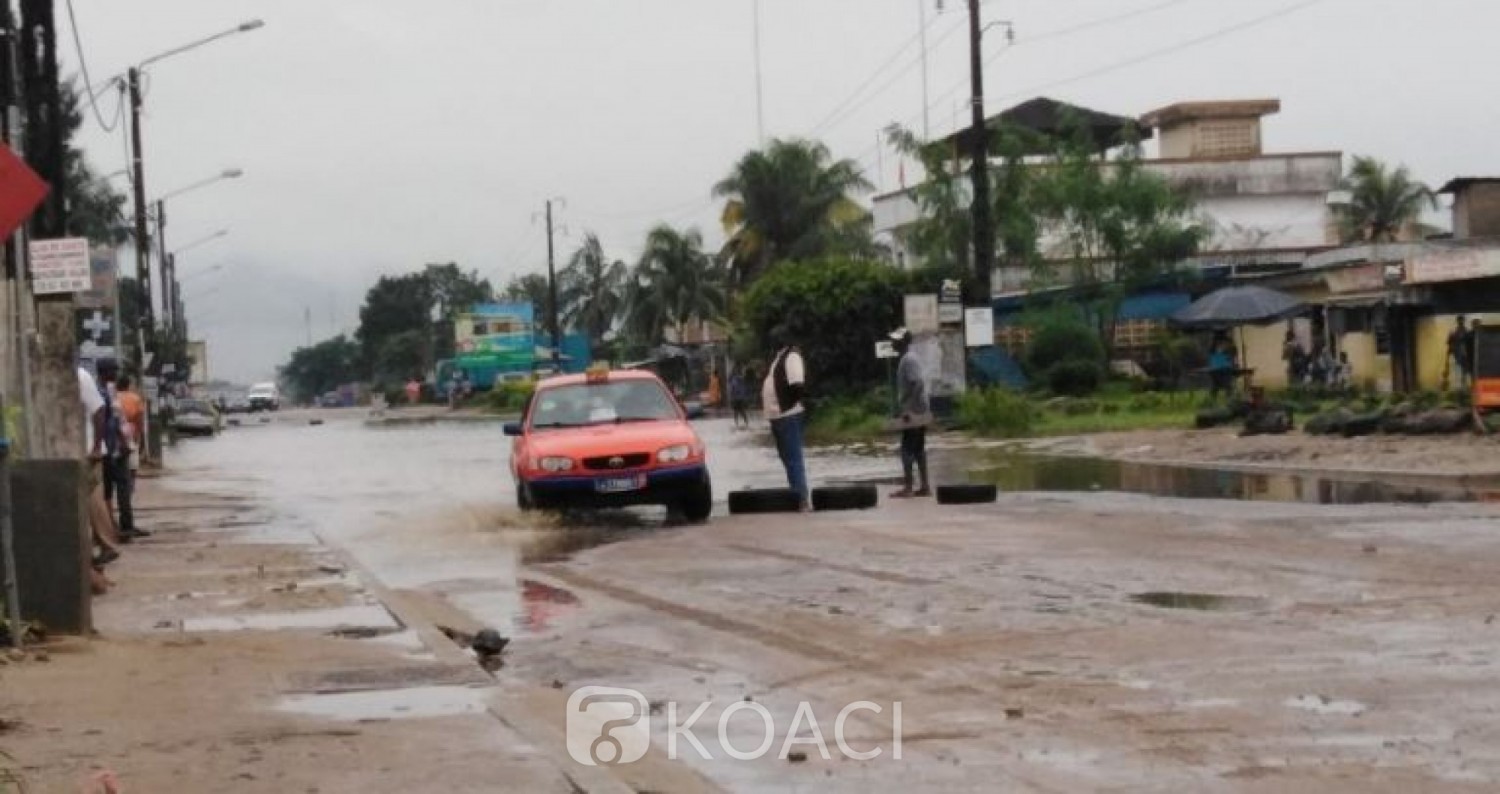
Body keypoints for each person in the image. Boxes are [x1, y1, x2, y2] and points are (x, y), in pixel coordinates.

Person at [78, 364, 121, 592]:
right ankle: (98, 573)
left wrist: (95, 447)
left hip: (88, 453)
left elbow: (99, 411)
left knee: (92, 503)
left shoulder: (80, 376)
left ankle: (106, 543)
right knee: (84, 513)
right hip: (75, 452)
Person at [762, 328, 810, 511]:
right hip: (779, 416)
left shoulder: (792, 356)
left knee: (793, 458)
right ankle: (796, 495)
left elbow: (797, 384)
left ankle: (801, 499)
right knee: (787, 458)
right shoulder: (779, 357)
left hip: (788, 415)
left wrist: (791, 405)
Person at [889, 328, 931, 498]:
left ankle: (908, 487)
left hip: (915, 410)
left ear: (903, 342)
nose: (892, 343)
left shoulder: (909, 360)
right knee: (919, 448)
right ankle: (925, 486)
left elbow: (918, 383)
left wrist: (908, 408)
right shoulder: (908, 358)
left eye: (895, 340)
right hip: (920, 408)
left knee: (907, 448)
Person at [111, 372, 149, 541]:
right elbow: (139, 422)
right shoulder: (134, 399)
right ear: (129, 385)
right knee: (127, 481)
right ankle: (126, 521)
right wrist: (139, 441)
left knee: (112, 486)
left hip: (112, 444)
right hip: (129, 442)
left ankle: (115, 520)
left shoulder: (112, 398)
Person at [1447, 315, 1470, 389]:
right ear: (1457, 321)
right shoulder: (1454, 332)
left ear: (1464, 321)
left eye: (1462, 320)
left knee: (1465, 370)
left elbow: (1469, 343)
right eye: (1459, 320)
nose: (1461, 322)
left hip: (1466, 354)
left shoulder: (1467, 331)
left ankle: (1464, 385)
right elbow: (1449, 343)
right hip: (1457, 354)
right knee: (1457, 370)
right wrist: (1450, 350)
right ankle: (1459, 387)